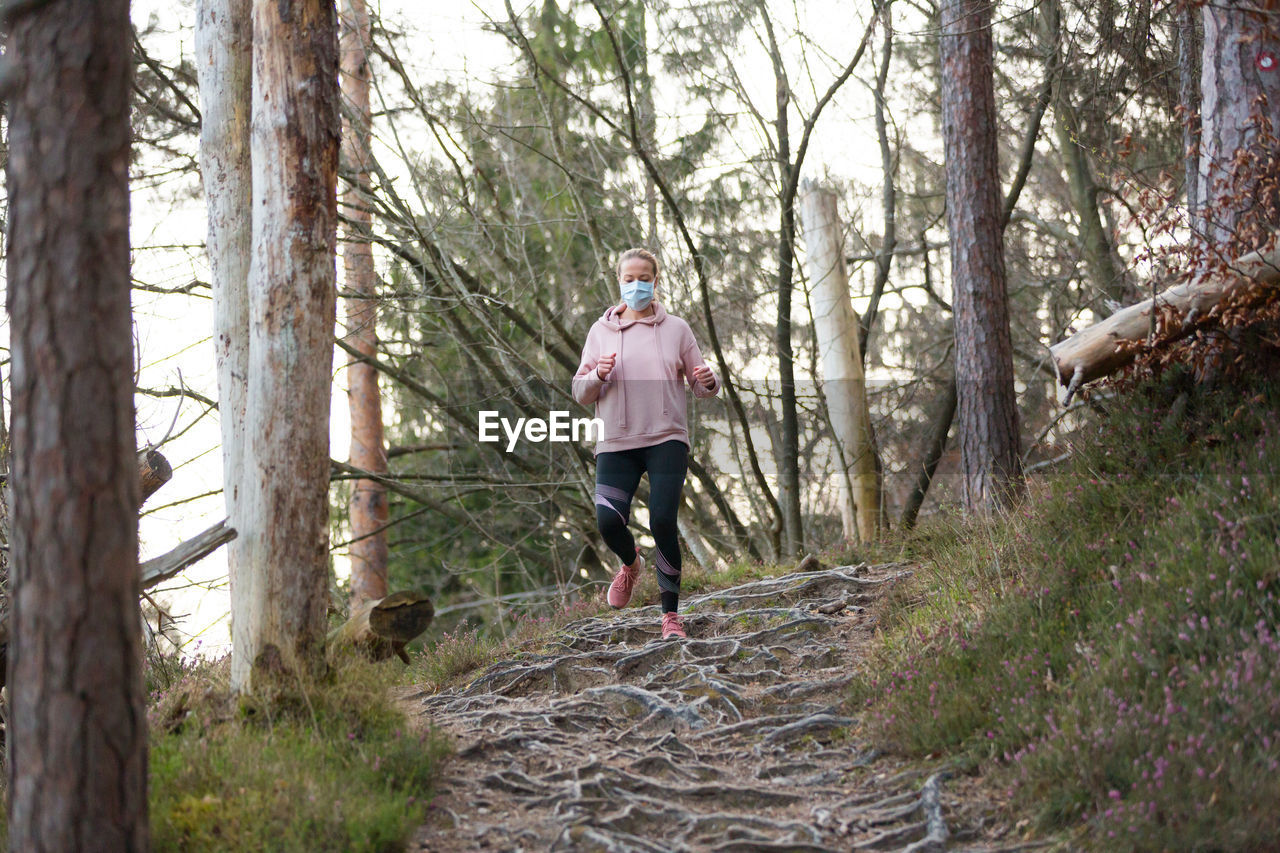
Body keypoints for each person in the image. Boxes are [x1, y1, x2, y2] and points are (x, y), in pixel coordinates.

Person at [572, 248, 721, 640]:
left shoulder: (677, 329)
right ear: (618, 281)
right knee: (607, 522)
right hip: (617, 441)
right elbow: (579, 391)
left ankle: (670, 617)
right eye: (629, 278)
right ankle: (630, 563)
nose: (636, 285)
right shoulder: (600, 331)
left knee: (662, 521)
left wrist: (708, 381)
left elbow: (701, 383)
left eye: (644, 278)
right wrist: (597, 376)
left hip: (666, 439)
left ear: (655, 281)